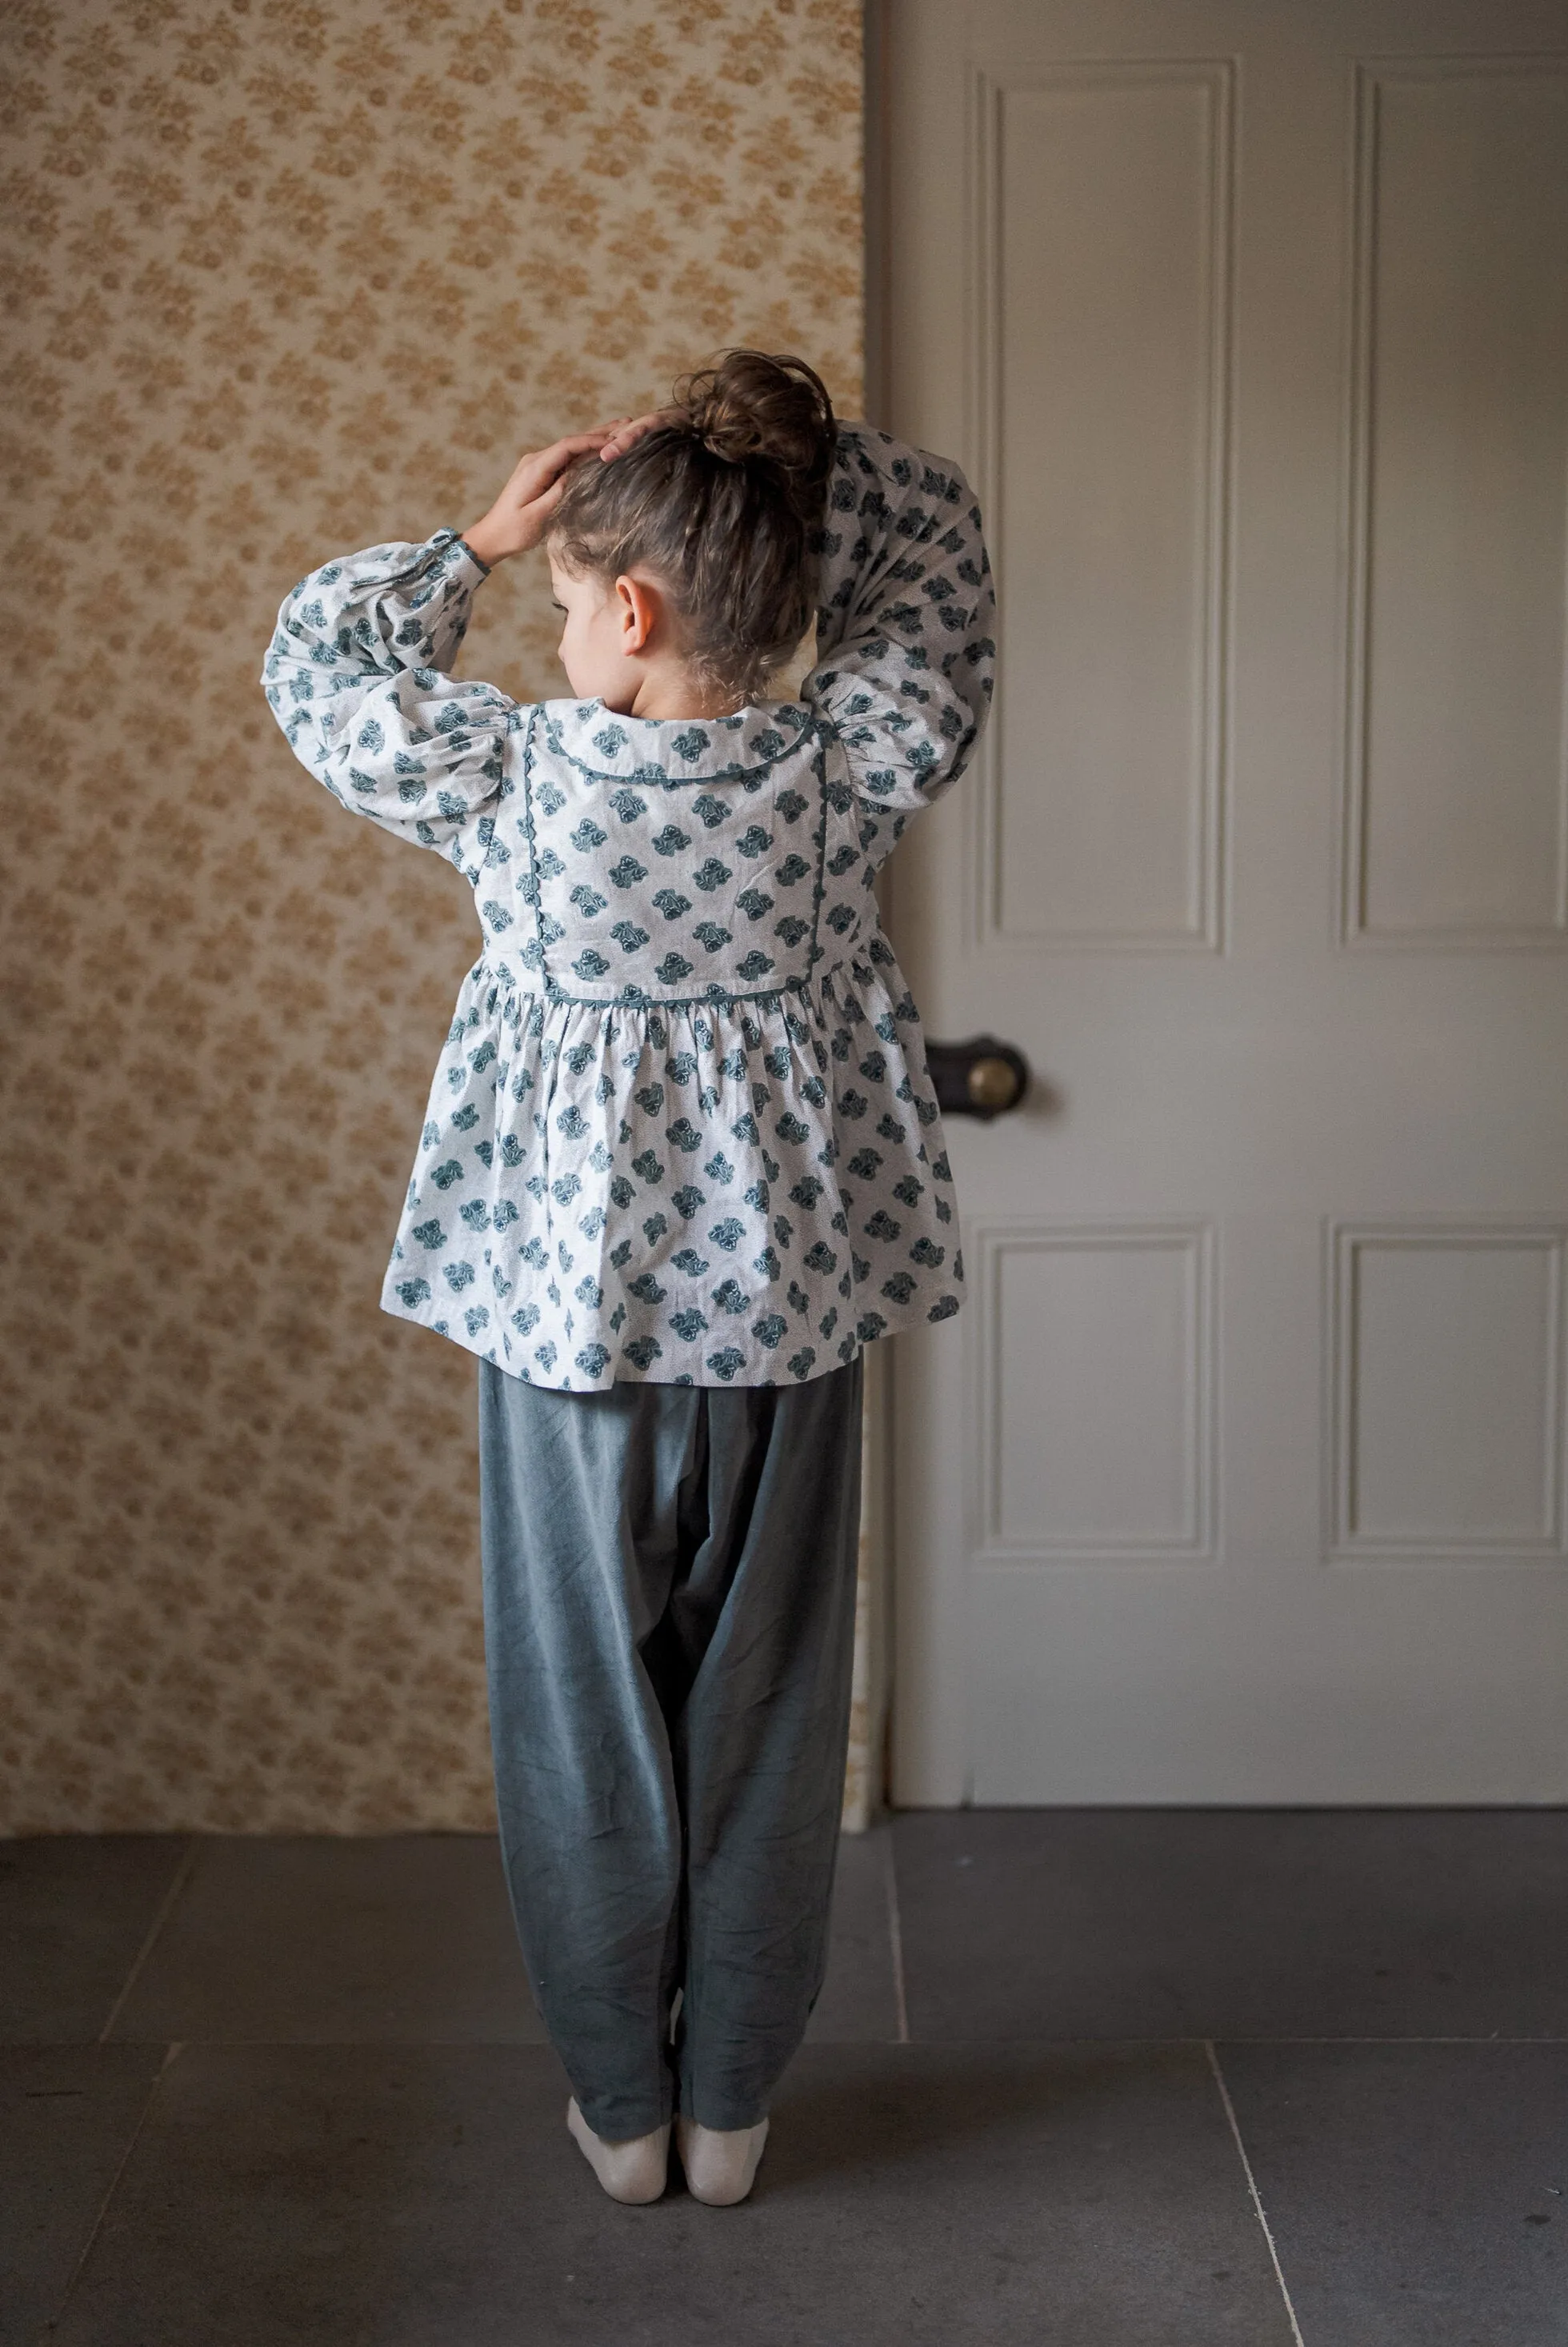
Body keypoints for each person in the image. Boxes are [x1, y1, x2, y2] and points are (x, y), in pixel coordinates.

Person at [261, 351, 994, 2205]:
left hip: (565, 1342)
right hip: (784, 1336)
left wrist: (479, 538)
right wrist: (768, 474)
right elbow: (942, 554)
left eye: (577, 594)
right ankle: (733, 2097)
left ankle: (619, 2100)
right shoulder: (846, 774)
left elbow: (318, 668)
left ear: (626, 608)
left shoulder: (505, 778)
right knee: (760, 1706)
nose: (562, 616)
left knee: (582, 1714)